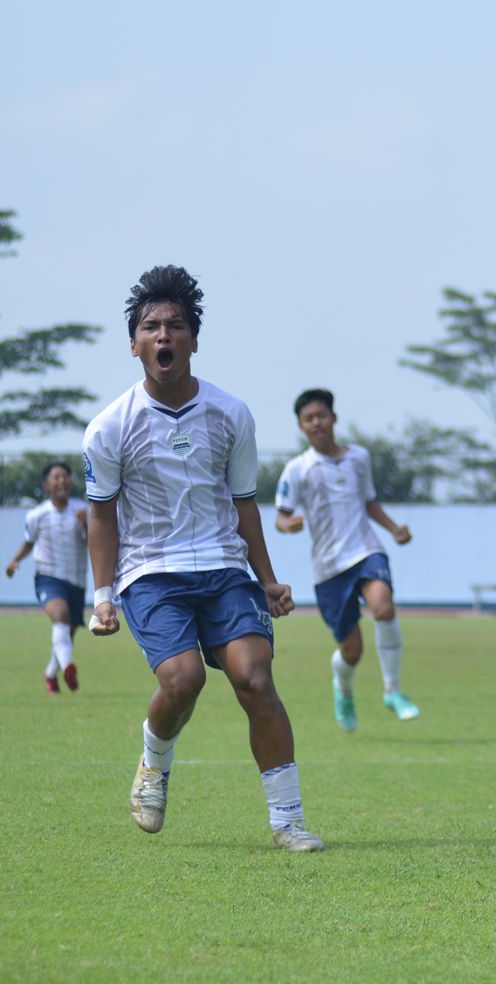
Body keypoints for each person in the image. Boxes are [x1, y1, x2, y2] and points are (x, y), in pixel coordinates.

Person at [81, 266, 323, 851]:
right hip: (150, 573)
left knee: (255, 679)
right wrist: (103, 595)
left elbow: (246, 504)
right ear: (135, 344)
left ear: (194, 338)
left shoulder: (231, 414)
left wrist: (266, 580)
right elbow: (102, 514)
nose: (164, 336)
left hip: (222, 569)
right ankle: (153, 762)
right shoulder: (110, 426)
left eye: (176, 325)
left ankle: (287, 821)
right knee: (183, 679)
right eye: (151, 327)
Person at [274, 388, 418, 733]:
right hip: (329, 567)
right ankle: (344, 689)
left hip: (366, 550)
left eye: (321, 415)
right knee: (352, 650)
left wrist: (394, 528)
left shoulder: (359, 458)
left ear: (334, 418)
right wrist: (289, 525)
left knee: (383, 608)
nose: (316, 423)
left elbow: (369, 502)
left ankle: (392, 691)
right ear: (301, 426)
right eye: (309, 419)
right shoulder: (298, 469)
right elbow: (281, 516)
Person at [6, 462, 91, 693]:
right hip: (48, 577)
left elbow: (92, 541)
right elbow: (28, 542)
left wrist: (84, 523)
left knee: (67, 632)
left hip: (76, 580)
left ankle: (51, 672)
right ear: (46, 485)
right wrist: (15, 561)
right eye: (56, 477)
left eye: (65, 476)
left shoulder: (82, 509)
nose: (61, 481)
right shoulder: (37, 515)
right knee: (60, 615)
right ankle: (67, 667)